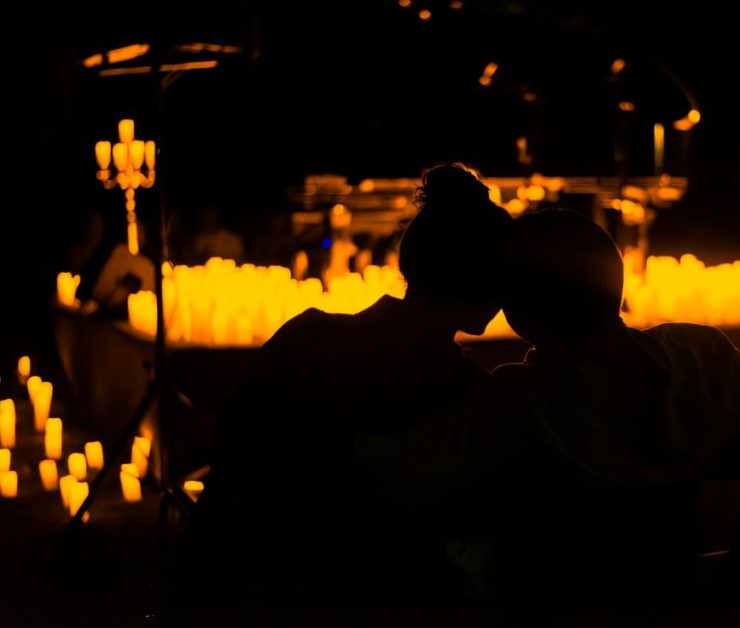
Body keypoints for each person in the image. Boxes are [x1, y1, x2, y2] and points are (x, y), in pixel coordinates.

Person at [369, 210, 740, 600]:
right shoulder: (703, 358)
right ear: (615, 279)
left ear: (515, 308)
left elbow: (391, 485)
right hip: (674, 605)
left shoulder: (512, 402)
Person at [186, 163, 513, 614]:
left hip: (243, 587)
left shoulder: (308, 334)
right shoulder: (465, 390)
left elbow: (231, 442)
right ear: (482, 282)